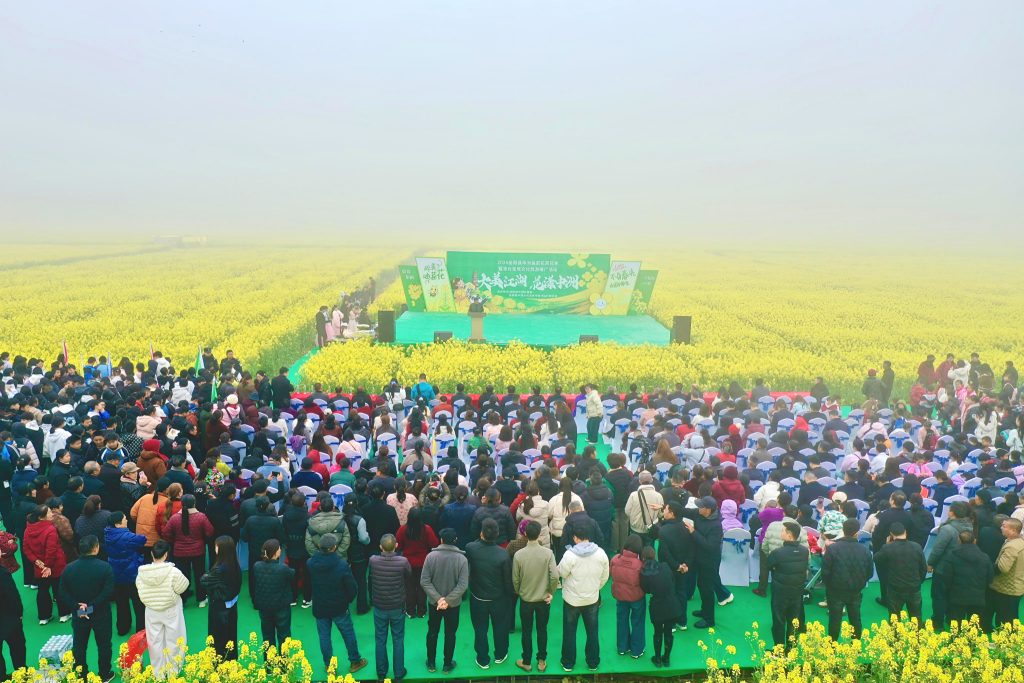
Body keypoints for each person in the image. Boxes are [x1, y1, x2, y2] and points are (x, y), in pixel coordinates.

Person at [308, 532, 367, 674]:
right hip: (339, 606)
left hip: (320, 606)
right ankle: (355, 661)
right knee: (348, 633)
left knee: (324, 636)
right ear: (334, 547)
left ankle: (329, 666)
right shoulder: (341, 564)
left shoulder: (310, 563)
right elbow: (352, 587)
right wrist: (347, 600)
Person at [59, 535, 115, 682]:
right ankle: (104, 674)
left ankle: (81, 674)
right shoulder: (105, 567)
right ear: (96, 548)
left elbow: (62, 591)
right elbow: (108, 592)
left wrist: (79, 607)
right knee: (104, 645)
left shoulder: (69, 569)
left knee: (79, 646)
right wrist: (90, 607)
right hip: (100, 614)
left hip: (79, 614)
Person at [557, 525, 609, 672]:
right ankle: (593, 662)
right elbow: (605, 576)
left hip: (572, 601)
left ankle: (568, 662)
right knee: (592, 632)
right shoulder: (601, 553)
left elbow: (561, 572)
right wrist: (595, 588)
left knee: (569, 632)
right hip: (592, 600)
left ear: (575, 538)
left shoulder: (570, 555)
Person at [136, 540, 189, 680]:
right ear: (166, 555)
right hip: (171, 609)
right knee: (175, 640)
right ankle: (173, 671)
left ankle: (158, 673)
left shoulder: (142, 573)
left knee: (154, 642)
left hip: (152, 611)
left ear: (152, 554)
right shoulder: (174, 571)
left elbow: (140, 591)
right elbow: (183, 587)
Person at [420, 527, 470, 674]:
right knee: (450, 634)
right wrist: (447, 600)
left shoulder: (431, 557)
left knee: (432, 632)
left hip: (434, 604)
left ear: (441, 540)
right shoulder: (462, 559)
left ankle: (431, 663)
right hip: (453, 605)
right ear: (455, 541)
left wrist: (438, 599)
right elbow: (463, 585)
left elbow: (425, 581)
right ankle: (447, 664)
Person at [466, 518, 513, 669]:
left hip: (478, 598)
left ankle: (482, 658)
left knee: (480, 629)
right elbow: (507, 581)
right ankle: (500, 653)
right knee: (500, 627)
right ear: (498, 534)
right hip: (498, 599)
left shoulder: (471, 548)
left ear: (481, 533)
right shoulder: (503, 554)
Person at [512, 520, 558, 673]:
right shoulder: (548, 553)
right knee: (542, 629)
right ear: (539, 534)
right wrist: (551, 592)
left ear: (525, 534)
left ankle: (526, 661)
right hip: (543, 599)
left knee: (526, 631)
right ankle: (542, 661)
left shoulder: (519, 555)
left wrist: (520, 592)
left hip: (526, 599)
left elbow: (515, 579)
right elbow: (554, 576)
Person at [821, 518, 873, 641]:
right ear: (857, 533)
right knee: (855, 618)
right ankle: (856, 645)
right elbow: (869, 573)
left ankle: (831, 645)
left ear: (843, 530)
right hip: (855, 590)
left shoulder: (833, 549)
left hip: (835, 590)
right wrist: (859, 583)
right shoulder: (865, 550)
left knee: (834, 619)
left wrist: (830, 585)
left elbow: (825, 572)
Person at [928, 501, 974, 630]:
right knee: (952, 595)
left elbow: (938, 549)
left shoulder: (947, 529)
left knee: (939, 596)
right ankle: (951, 619)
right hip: (961, 567)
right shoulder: (970, 525)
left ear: (952, 512)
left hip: (944, 568)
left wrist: (930, 563)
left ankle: (937, 622)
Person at [370, 533, 410, 681]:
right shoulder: (403, 562)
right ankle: (399, 673)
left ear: (380, 547)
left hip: (380, 606)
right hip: (397, 606)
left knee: (380, 640)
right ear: (396, 546)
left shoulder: (373, 561)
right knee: (398, 639)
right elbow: (408, 575)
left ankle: (381, 674)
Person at [162, 494, 214, 608]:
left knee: (182, 576)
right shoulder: (201, 517)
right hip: (198, 551)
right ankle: (201, 599)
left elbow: (166, 534)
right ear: (194, 503)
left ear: (182, 504)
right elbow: (210, 531)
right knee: (199, 574)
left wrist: (175, 542)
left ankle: (182, 599)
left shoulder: (174, 518)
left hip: (179, 552)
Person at [22, 504, 70, 624]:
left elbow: (26, 548)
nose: (51, 514)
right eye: (49, 513)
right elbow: (51, 550)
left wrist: (37, 562)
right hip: (55, 565)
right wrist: (47, 566)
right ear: (42, 517)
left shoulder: (28, 529)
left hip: (40, 567)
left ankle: (44, 617)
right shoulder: (50, 529)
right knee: (59, 589)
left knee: (42, 591)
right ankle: (64, 614)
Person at [873, 521, 928, 624]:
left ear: (891, 534)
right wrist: (918, 581)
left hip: (895, 588)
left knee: (894, 617)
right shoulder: (916, 546)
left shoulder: (888, 547)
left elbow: (876, 559)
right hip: (914, 587)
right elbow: (923, 568)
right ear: (905, 532)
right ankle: (917, 638)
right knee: (916, 616)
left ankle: (895, 638)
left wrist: (887, 544)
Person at [766, 521, 809, 649]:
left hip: (780, 592)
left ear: (789, 535)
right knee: (793, 620)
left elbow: (768, 565)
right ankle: (791, 648)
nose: (781, 533)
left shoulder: (778, 553)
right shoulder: (804, 551)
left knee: (779, 621)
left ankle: (779, 650)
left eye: (783, 531)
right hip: (797, 591)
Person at [104, 511, 147, 636]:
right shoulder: (127, 537)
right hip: (132, 573)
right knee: (138, 604)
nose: (127, 520)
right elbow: (142, 539)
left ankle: (123, 627)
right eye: (124, 519)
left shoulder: (108, 534)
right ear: (118, 524)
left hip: (116, 573)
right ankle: (141, 629)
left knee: (121, 603)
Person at [639, 544, 682, 668]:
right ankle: (666, 658)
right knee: (669, 632)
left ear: (643, 558)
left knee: (657, 632)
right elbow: (672, 580)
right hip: (671, 605)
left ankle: (657, 659)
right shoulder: (665, 566)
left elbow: (645, 589)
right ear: (654, 555)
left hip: (657, 606)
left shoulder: (644, 573)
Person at [200, 536, 242, 660]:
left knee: (217, 638)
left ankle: (218, 664)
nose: (215, 548)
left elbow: (203, 580)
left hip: (219, 608)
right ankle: (231, 660)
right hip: (232, 607)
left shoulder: (219, 568)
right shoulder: (235, 565)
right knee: (230, 636)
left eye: (216, 546)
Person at [252, 539, 295, 649]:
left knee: (267, 637)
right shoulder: (283, 568)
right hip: (281, 607)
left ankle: (269, 663)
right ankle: (283, 663)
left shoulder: (257, 566)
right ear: (276, 552)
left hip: (264, 607)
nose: (280, 550)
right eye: (279, 548)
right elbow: (292, 575)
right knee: (284, 636)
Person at [657, 501, 693, 632]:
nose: (664, 511)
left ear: (671, 513)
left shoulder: (664, 531)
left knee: (669, 594)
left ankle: (671, 623)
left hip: (669, 569)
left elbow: (664, 553)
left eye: (665, 509)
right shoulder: (687, 528)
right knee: (681, 593)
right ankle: (682, 621)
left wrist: (676, 566)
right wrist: (685, 565)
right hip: (684, 569)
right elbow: (691, 549)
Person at [610, 534, 646, 659]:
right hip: (637, 598)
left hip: (620, 596)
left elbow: (611, 575)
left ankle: (622, 647)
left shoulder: (615, 559)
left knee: (621, 621)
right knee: (638, 622)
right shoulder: (640, 564)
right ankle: (637, 650)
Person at [948, 530, 994, 624]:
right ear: (974, 541)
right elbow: (990, 577)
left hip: (957, 596)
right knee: (973, 626)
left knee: (956, 624)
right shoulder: (985, 557)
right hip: (978, 597)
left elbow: (947, 577)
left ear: (959, 541)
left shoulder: (952, 555)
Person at [691, 496, 724, 628]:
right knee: (701, 585)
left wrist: (694, 533)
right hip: (700, 559)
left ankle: (709, 620)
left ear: (708, 510)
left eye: (701, 506)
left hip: (710, 562)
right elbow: (685, 511)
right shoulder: (700, 515)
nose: (698, 508)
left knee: (707, 589)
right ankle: (704, 611)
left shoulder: (716, 526)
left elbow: (710, 546)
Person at [989, 517, 1024, 629]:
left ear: (1013, 530)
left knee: (1006, 618)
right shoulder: (1019, 542)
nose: (1001, 528)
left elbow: (1003, 568)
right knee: (1010, 616)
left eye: (1004, 526)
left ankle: (1005, 642)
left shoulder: (1012, 546)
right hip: (1016, 586)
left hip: (1008, 588)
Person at [0, 541, 26, 682]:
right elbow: (12, 595)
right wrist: (19, 613)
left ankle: (2, 677)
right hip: (8, 618)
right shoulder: (2, 572)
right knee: (17, 647)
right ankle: (21, 673)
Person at [624, 471, 663, 546]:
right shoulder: (659, 496)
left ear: (639, 481)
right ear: (651, 480)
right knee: (649, 550)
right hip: (651, 529)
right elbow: (660, 514)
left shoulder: (633, 495)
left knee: (635, 550)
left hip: (635, 528)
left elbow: (627, 511)